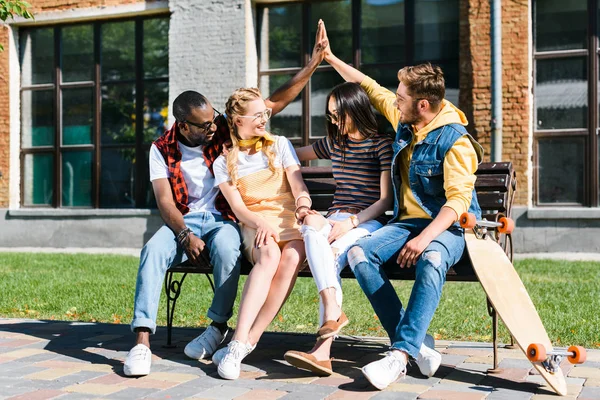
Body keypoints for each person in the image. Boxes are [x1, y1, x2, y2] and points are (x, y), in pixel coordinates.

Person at [123, 22, 329, 377]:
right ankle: (142, 342)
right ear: (183, 125)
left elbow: (271, 104)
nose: (212, 127)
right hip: (184, 221)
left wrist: (311, 66)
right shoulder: (161, 148)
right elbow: (165, 202)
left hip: (223, 221)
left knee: (227, 249)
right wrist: (184, 235)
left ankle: (217, 329)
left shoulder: (219, 129)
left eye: (214, 120)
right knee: (152, 252)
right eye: (203, 125)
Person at [321, 23, 484, 389]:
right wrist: (331, 58)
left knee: (432, 259)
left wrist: (425, 239)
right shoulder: (407, 122)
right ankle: (414, 345)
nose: (394, 102)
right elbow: (369, 87)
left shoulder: (455, 141)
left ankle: (398, 357)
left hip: (449, 227)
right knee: (360, 255)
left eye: (401, 98)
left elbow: (457, 202)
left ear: (421, 104)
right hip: (406, 222)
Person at [283, 81, 393, 376]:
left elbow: (385, 200)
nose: (333, 121)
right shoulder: (334, 143)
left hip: (366, 222)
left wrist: (349, 223)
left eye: (338, 115)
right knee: (308, 227)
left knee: (330, 255)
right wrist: (261, 149)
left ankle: (322, 351)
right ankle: (333, 310)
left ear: (354, 110)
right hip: (334, 217)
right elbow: (290, 155)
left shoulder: (380, 144)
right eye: (330, 116)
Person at [210, 87, 312, 380]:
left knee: (293, 255)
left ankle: (245, 343)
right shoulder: (224, 162)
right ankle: (239, 341)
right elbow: (239, 209)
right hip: (254, 223)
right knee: (269, 254)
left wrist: (304, 206)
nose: (263, 120)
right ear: (237, 120)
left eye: (265, 114)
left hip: (289, 219)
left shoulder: (279, 145)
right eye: (257, 115)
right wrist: (259, 222)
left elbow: (298, 187)